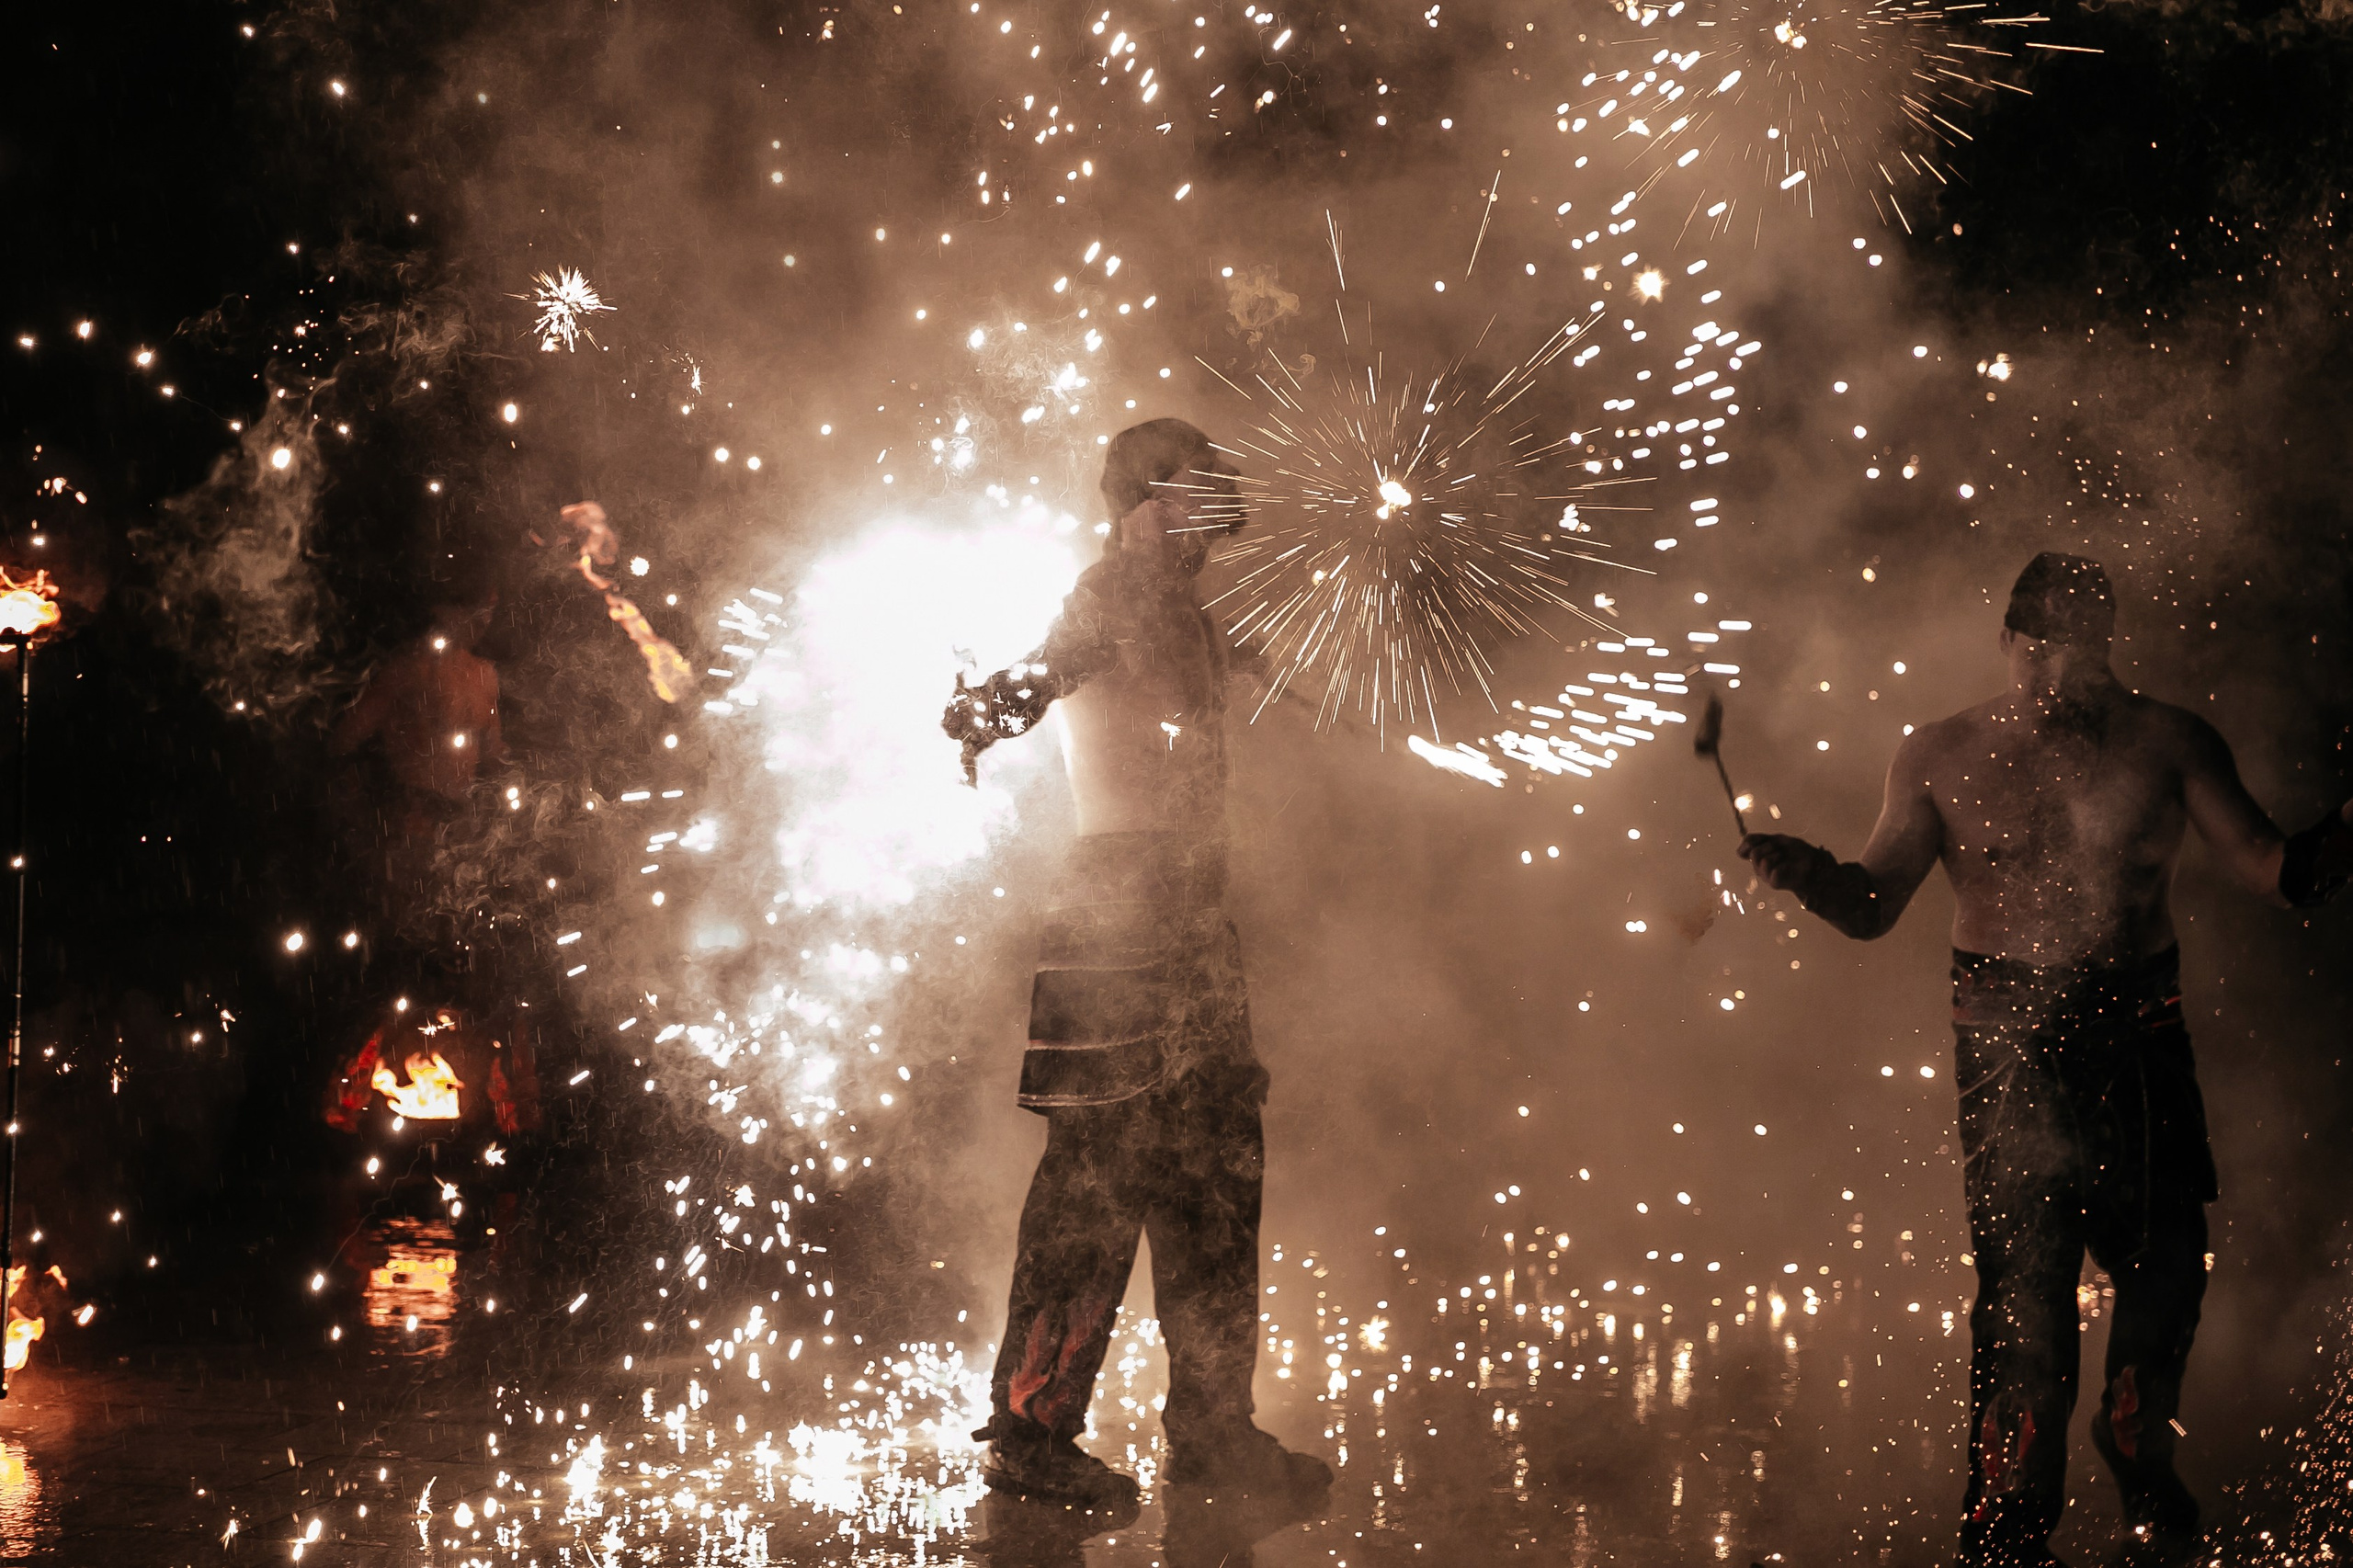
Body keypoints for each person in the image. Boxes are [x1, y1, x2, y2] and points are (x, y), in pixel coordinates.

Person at [1740, 552, 2353, 1568]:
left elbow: (2276, 870)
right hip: (2007, 1042)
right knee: (2024, 1297)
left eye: (2080, 654)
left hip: (2140, 1034)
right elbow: (1872, 903)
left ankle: (2138, 1441)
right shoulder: (1939, 752)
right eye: (2041, 653)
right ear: (2007, 642)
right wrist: (1806, 870)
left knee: (2166, 1272)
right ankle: (2008, 1529)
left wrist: (2346, 832)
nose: (2059, 676)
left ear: (2106, 648)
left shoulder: (2169, 742)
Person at [943, 420, 1330, 1516]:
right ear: (1152, 499)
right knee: (1095, 1180)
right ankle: (1029, 1431)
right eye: (1201, 487)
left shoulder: (1195, 615)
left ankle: (1212, 1427)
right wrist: (984, 710)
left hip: (1193, 917)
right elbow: (1047, 668)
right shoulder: (1109, 592)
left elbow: (1262, 682)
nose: (1220, 507)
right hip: (1114, 914)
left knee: (1217, 1174)